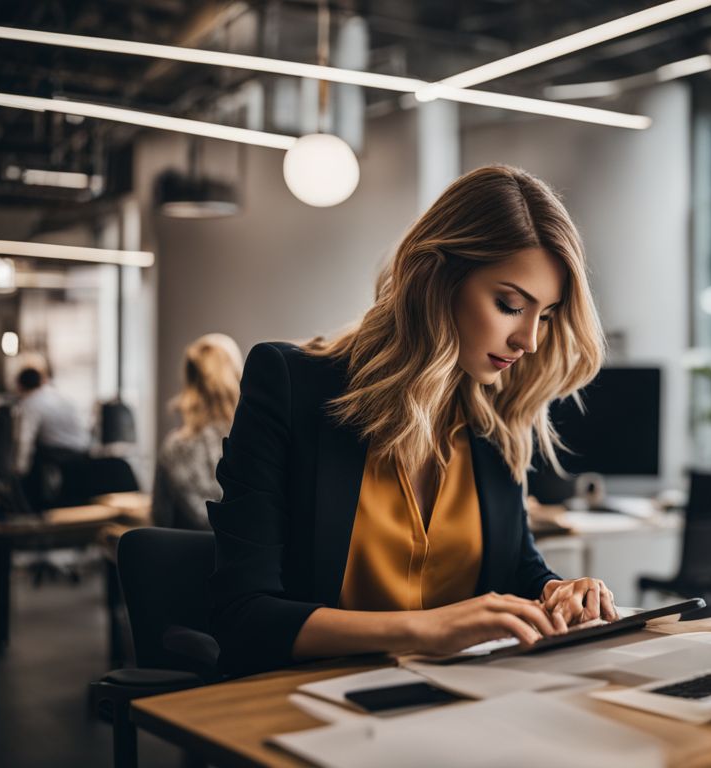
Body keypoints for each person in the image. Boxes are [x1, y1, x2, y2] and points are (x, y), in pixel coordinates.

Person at [210, 165, 618, 676]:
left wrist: (558, 591)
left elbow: (516, 568)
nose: (529, 341)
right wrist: (425, 629)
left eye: (546, 315)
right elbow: (244, 616)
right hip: (310, 706)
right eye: (509, 305)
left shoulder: (495, 419)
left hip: (462, 710)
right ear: (436, 278)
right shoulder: (290, 385)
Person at [152, 333, 243, 530]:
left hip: (190, 556)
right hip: (245, 556)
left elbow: (160, 519)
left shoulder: (175, 447)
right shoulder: (253, 441)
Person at [14, 364, 91, 510]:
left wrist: (19, 469)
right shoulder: (59, 395)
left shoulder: (30, 402)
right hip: (83, 449)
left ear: (20, 386)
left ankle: (38, 507)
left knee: (31, 459)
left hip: (59, 453)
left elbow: (24, 439)